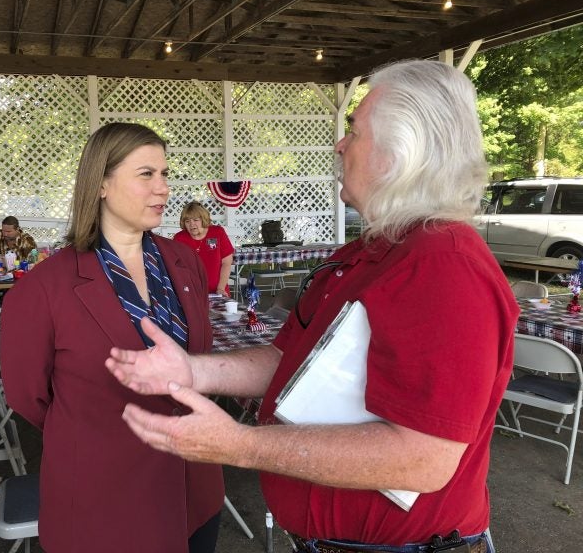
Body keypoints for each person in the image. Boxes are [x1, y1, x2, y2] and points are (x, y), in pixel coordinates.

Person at [104, 60, 520, 553]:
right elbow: (291, 360)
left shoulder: (443, 264)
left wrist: (239, 445)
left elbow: (422, 459)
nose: (340, 145)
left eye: (354, 130)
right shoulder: (372, 250)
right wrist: (194, 372)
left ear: (399, 154)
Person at [0, 123, 224, 553]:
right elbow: (28, 396)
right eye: (146, 174)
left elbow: (201, 357)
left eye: (165, 173)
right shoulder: (44, 287)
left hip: (194, 489)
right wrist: (98, 432)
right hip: (103, 500)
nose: (163, 188)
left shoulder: (184, 263)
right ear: (101, 183)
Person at [173, 201, 234, 297]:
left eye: (195, 220)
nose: (191, 224)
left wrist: (220, 288)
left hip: (218, 292)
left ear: (203, 219)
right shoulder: (179, 238)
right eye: (187, 221)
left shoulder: (218, 232)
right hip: (192, 293)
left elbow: (226, 263)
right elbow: (176, 267)